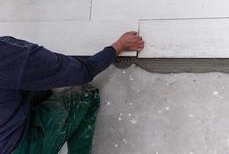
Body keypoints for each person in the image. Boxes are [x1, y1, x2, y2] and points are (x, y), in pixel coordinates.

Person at [0, 31, 144, 154]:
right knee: (85, 94)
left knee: (36, 90)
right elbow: (83, 72)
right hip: (17, 148)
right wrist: (118, 46)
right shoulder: (13, 57)